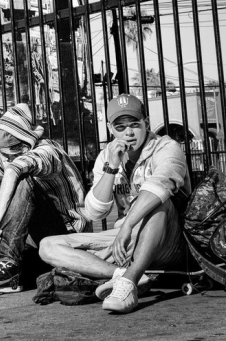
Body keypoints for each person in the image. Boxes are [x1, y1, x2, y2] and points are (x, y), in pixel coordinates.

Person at [39, 93, 191, 313]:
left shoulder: (166, 147)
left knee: (159, 202)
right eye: (120, 127)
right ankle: (121, 275)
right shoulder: (108, 156)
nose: (128, 133)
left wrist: (127, 225)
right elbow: (94, 212)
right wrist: (111, 167)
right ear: (111, 129)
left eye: (134, 125)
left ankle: (128, 284)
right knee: (48, 246)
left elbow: (162, 184)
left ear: (146, 123)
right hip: (126, 242)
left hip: (169, 240)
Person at [0, 103, 87, 295]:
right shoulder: (6, 156)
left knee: (23, 178)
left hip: (64, 232)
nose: (1, 159)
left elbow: (14, 170)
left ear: (24, 146)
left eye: (6, 154)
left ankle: (6, 267)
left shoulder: (48, 153)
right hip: (32, 230)